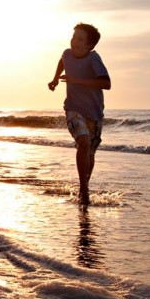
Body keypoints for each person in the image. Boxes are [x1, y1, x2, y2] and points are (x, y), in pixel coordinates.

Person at [48, 23, 111, 205]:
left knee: (89, 153)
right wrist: (55, 79)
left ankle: (85, 186)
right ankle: (84, 189)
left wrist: (76, 80)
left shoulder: (94, 59)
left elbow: (106, 84)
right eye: (74, 37)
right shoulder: (67, 53)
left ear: (89, 45)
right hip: (73, 108)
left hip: (94, 112)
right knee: (83, 142)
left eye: (80, 39)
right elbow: (62, 60)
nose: (74, 41)